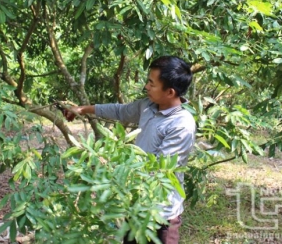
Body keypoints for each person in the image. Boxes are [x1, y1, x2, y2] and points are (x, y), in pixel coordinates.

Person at [63, 56, 196, 244]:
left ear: (170, 92)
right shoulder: (148, 106)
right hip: (135, 204)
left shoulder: (182, 125)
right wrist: (84, 109)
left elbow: (158, 169)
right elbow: (120, 111)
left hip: (161, 214)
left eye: (152, 83)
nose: (146, 87)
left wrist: (110, 167)